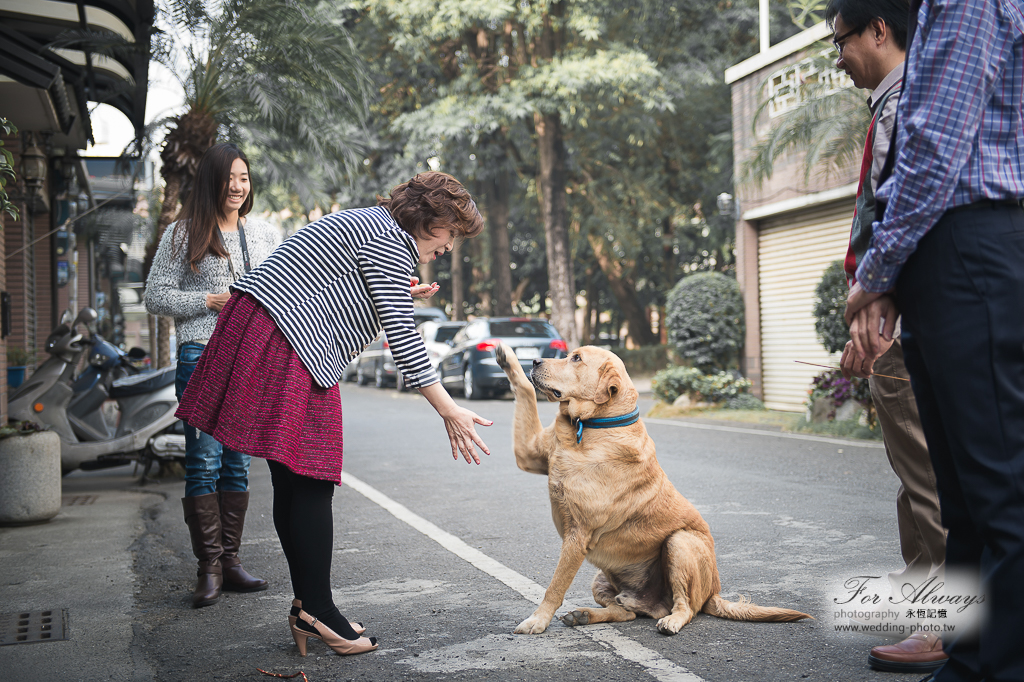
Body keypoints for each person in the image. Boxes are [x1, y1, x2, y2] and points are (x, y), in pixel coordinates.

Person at [175, 171, 492, 657]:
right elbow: (403, 337)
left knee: (298, 478)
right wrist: (449, 410)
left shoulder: (374, 226)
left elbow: (335, 287)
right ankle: (318, 610)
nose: (449, 247)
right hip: (284, 338)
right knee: (311, 475)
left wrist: (398, 294)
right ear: (430, 218)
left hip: (271, 330)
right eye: (451, 234)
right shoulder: (389, 239)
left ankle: (310, 606)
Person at [845, 0, 1024, 679]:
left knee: (1000, 490)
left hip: (968, 244)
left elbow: (934, 145)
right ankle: (973, 660)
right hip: (945, 250)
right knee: (965, 497)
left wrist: (876, 270)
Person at [826, 0, 948, 673]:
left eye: (840, 41)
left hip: (900, 315)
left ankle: (939, 629)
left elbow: (900, 213)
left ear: (879, 30)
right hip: (893, 312)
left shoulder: (908, 105)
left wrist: (874, 305)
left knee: (927, 476)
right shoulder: (892, 104)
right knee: (918, 474)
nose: (838, 56)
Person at [146, 142, 280, 608]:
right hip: (200, 354)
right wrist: (208, 301)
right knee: (203, 459)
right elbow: (155, 295)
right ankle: (208, 569)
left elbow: (295, 287)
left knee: (237, 462)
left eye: (244, 178)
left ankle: (231, 561)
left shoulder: (264, 235)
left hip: (249, 359)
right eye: (230, 178)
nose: (238, 187)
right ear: (212, 181)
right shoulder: (183, 234)